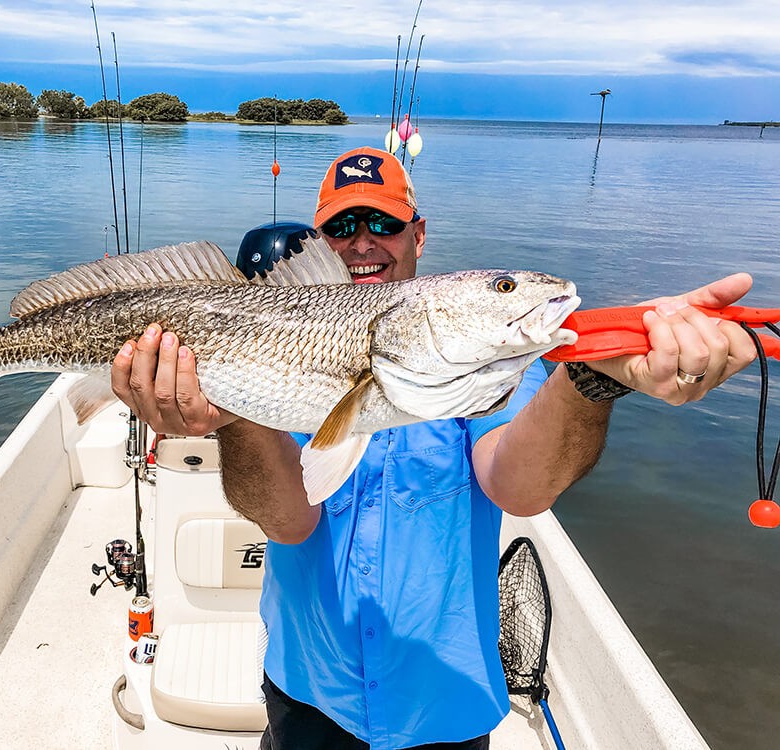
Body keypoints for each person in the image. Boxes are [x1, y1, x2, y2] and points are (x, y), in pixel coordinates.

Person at [110, 146, 757, 750]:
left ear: (418, 235)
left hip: (445, 706)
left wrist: (592, 376)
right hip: (307, 690)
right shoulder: (280, 349)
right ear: (319, 244)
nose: (363, 242)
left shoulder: (491, 365)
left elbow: (521, 488)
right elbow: (286, 517)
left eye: (382, 223)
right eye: (343, 227)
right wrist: (234, 410)